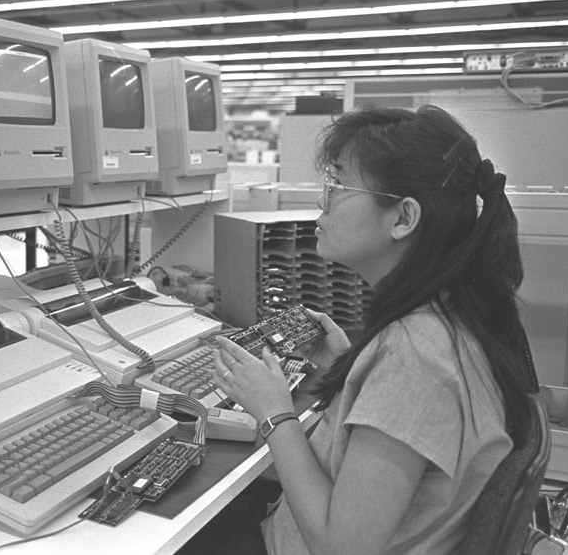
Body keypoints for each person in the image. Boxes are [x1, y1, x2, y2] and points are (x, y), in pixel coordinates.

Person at [211, 105, 539, 555]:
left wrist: (274, 412)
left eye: (338, 185)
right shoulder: (446, 318)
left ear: (403, 219)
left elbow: (342, 547)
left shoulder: (415, 357)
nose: (323, 202)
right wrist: (350, 368)